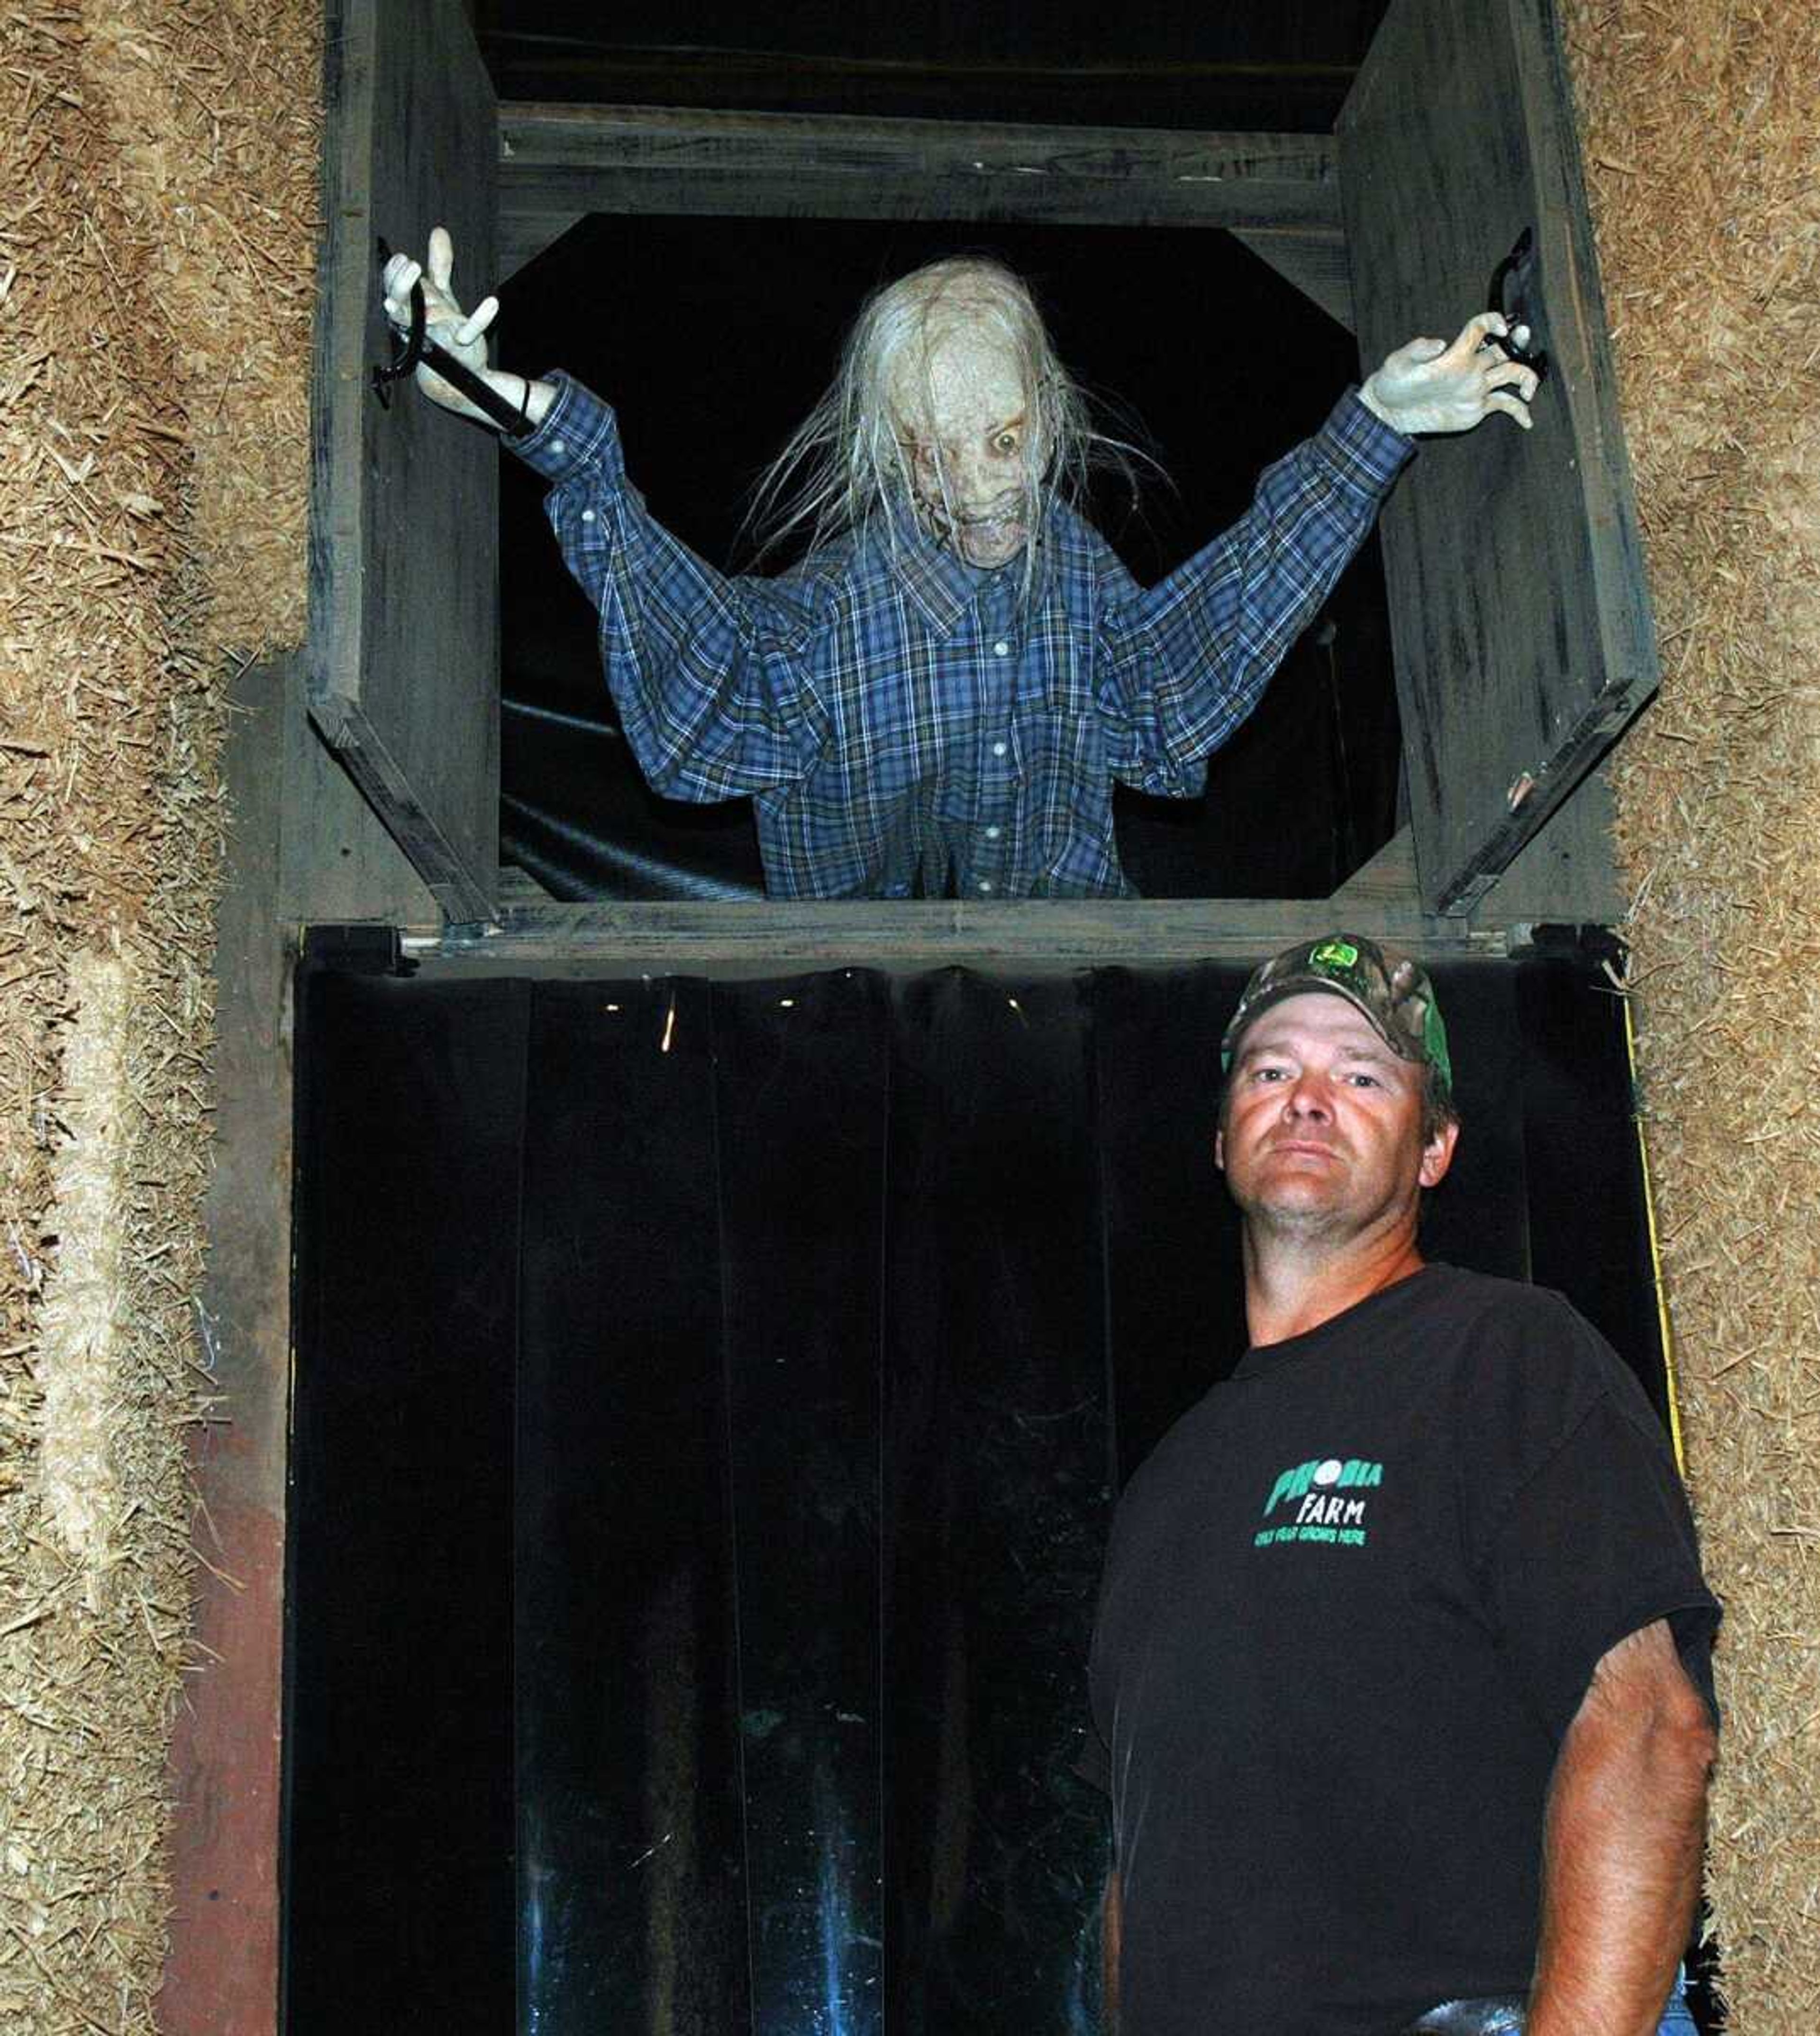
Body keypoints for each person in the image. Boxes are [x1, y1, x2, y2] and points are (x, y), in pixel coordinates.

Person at [381, 233, 1539, 899]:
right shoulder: (827, 622)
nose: (981, 490)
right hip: (855, 1016)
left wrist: (1378, 422)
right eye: (935, 454)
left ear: (1051, 410)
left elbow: (1193, 657)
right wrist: (527, 414)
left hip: (1077, 991)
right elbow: (702, 675)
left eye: (1004, 440)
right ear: (887, 454)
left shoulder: (1078, 580)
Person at [1085, 935, 1720, 2036]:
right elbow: (1135, 1869)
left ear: (1436, 1150)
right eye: (1272, 1069)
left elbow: (1650, 1722)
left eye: (1364, 1075)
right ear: (1222, 1138)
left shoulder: (1507, 1357)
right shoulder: (1163, 1489)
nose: (1309, 1100)